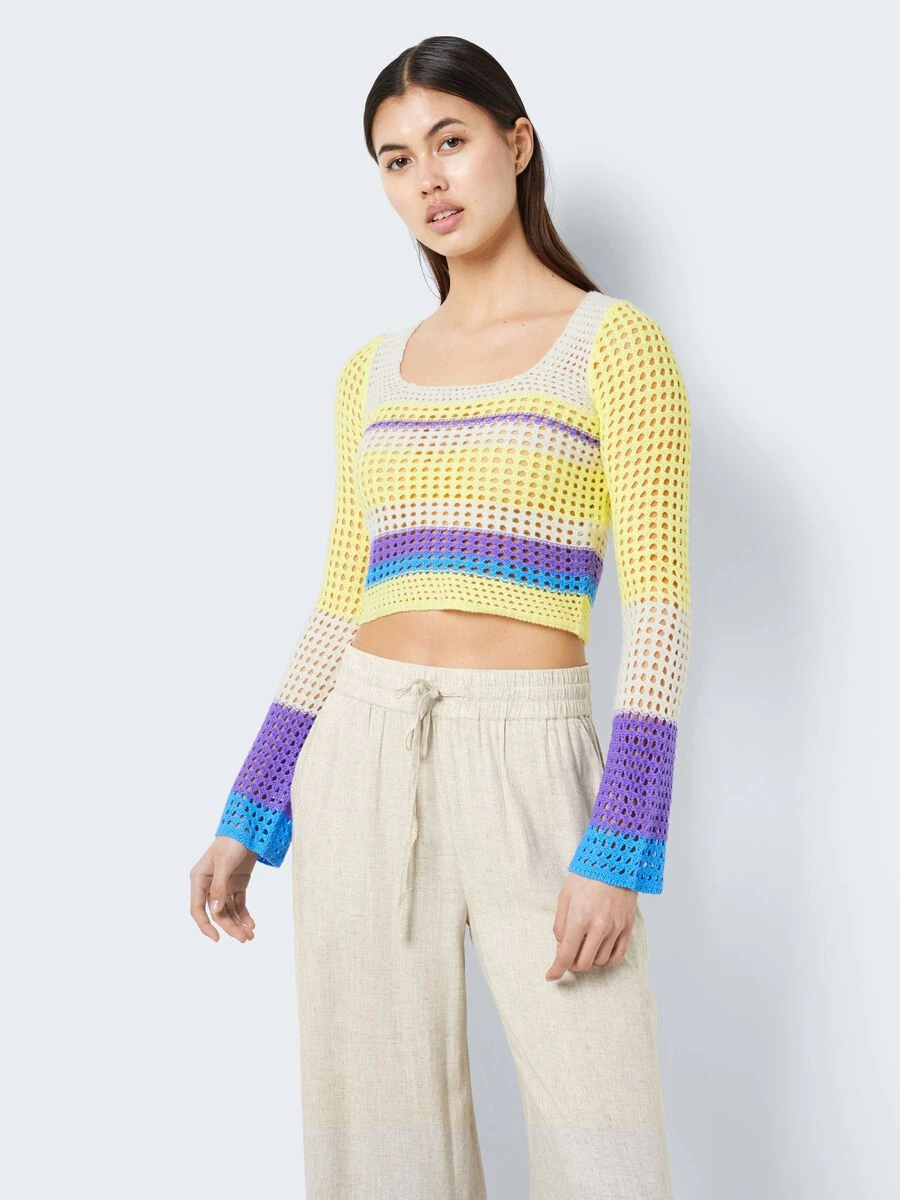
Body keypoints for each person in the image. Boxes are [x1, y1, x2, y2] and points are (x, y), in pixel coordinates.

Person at [190, 34, 691, 1200]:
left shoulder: (613, 346)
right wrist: (250, 811)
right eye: (397, 158)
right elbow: (340, 602)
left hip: (534, 758)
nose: (429, 179)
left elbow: (660, 606)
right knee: (378, 1143)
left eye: (451, 140)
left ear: (516, 143)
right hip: (362, 751)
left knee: (606, 1137)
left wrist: (620, 839)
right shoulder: (372, 373)